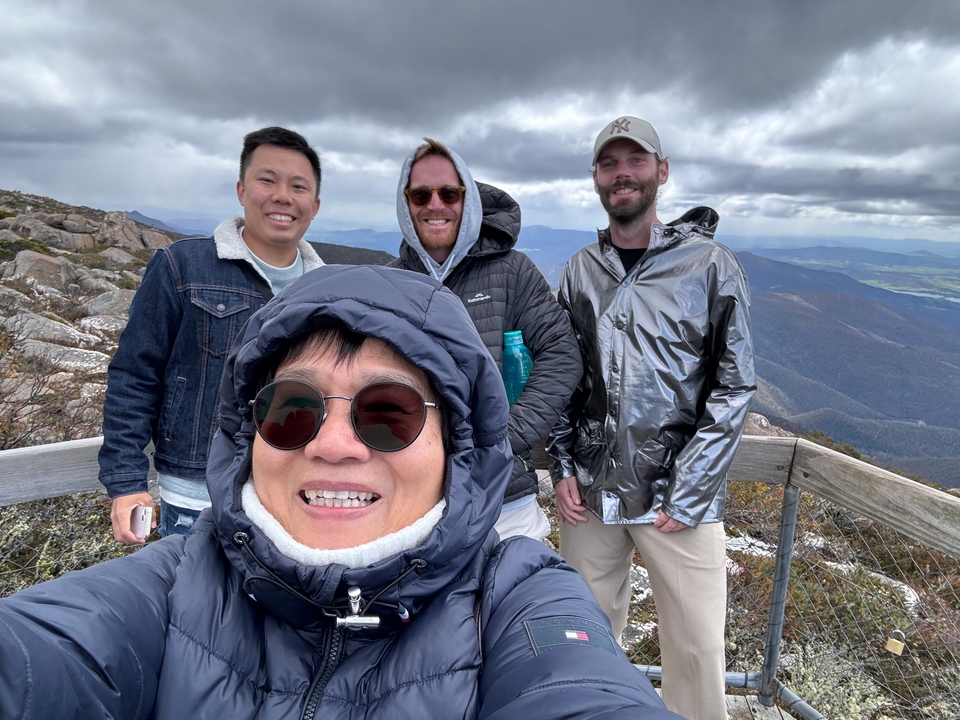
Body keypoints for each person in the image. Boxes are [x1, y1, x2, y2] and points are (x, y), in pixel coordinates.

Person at [0, 265, 683, 720]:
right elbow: (44, 655)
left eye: (389, 412)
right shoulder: (180, 578)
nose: (331, 444)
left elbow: (579, 690)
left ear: (458, 447)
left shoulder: (517, 591)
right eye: (291, 408)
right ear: (251, 432)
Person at [549, 116, 756, 720]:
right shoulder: (580, 270)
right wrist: (562, 464)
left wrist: (689, 489)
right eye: (609, 164)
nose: (622, 175)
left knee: (697, 652)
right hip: (590, 497)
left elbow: (734, 382)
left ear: (660, 173)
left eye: (635, 161)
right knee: (585, 642)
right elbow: (567, 376)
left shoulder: (711, 265)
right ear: (595, 179)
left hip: (678, 502)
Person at [99, 126, 324, 544]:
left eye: (298, 186)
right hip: (193, 498)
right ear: (242, 190)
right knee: (192, 609)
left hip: (292, 499)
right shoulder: (182, 267)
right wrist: (127, 481)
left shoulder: (328, 290)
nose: (282, 196)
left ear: (315, 204)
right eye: (267, 180)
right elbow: (134, 374)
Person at [392, 138, 581, 542]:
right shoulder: (390, 282)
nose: (435, 204)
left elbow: (561, 354)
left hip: (505, 499)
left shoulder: (512, 271)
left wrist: (506, 436)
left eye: (450, 193)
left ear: (468, 199)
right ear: (405, 204)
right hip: (413, 501)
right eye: (421, 194)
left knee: (520, 601)